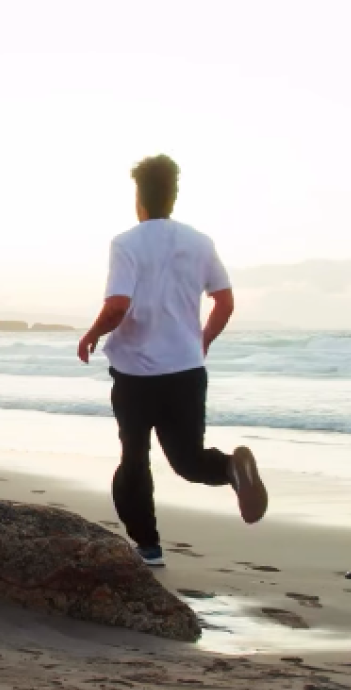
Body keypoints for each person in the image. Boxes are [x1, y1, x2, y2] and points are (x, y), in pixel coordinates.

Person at [77, 154, 267, 567]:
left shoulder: (126, 243)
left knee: (134, 457)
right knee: (188, 460)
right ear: (173, 196)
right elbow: (225, 301)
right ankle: (233, 467)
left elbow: (118, 304)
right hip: (186, 370)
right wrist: (202, 341)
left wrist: (93, 333)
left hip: (136, 373)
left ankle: (148, 546)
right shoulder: (200, 242)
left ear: (139, 198)